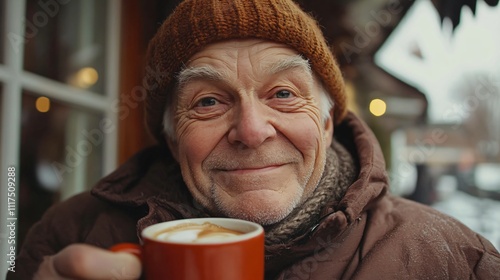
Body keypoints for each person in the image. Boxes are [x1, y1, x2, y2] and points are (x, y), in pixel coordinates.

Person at [9, 0, 500, 279]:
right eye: (207, 102)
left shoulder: (454, 259)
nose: (250, 130)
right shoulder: (67, 236)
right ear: (174, 139)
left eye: (283, 93)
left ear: (327, 125)